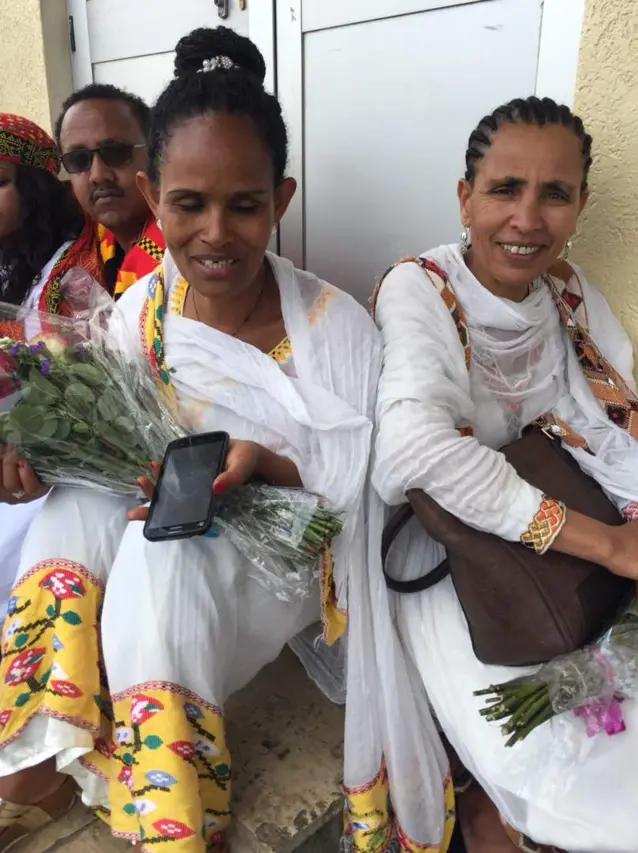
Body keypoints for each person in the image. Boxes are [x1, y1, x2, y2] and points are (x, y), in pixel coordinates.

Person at [0, 27, 394, 853]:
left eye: (243, 204)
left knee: (162, 553)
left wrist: (262, 464)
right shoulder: (141, 308)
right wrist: (40, 454)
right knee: (73, 507)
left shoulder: (334, 325)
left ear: (279, 200)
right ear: (153, 193)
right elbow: (107, 440)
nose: (216, 233)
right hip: (176, 519)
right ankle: (35, 755)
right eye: (188, 203)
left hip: (282, 552)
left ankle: (180, 813)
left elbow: (361, 486)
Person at [372, 96, 638, 852]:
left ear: (580, 205)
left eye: (554, 193)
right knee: (554, 763)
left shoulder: (571, 293)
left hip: (576, 544)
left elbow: (611, 427)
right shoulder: (423, 286)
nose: (528, 218)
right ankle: (491, 813)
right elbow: (416, 454)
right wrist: (614, 547)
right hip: (457, 559)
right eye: (504, 189)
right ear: (466, 197)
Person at [0, 113, 104, 619]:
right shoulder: (7, 255)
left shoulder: (77, 267)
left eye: (0, 182)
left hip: (49, 460)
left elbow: (83, 378)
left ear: (37, 187)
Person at [55, 83, 165, 299]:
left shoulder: (187, 256)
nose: (98, 175)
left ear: (154, 153)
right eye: (79, 159)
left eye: (115, 152)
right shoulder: (85, 251)